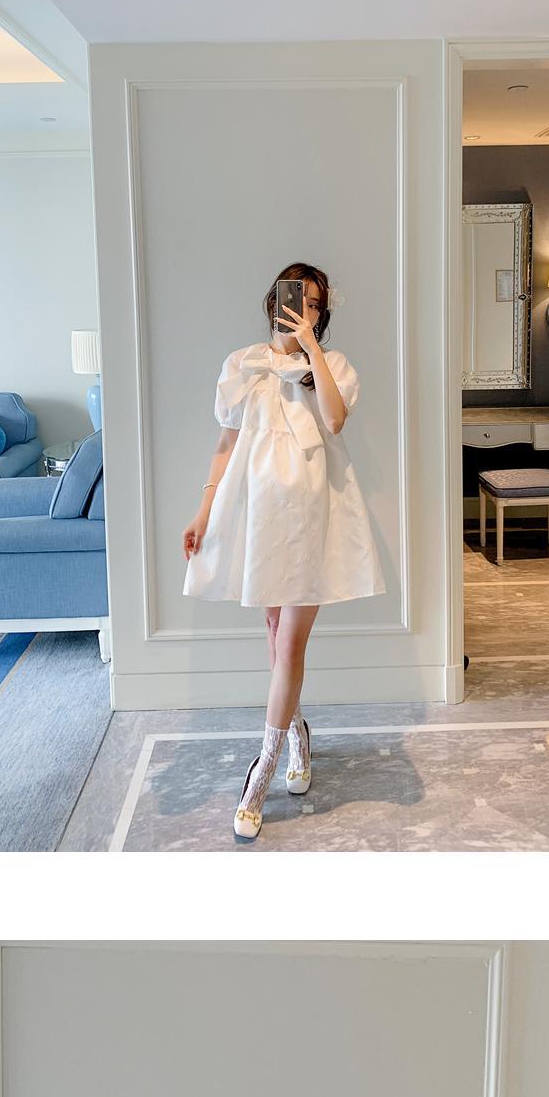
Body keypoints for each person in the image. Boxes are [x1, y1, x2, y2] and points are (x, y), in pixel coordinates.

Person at [182, 264, 384, 837]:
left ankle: (262, 772)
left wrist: (312, 349)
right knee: (274, 633)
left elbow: (335, 421)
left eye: (315, 304)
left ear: (323, 313)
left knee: (290, 642)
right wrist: (202, 512)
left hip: (312, 519)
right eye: (296, 299)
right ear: (274, 301)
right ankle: (298, 736)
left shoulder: (332, 367)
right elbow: (226, 443)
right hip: (260, 518)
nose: (304, 309)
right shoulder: (243, 365)